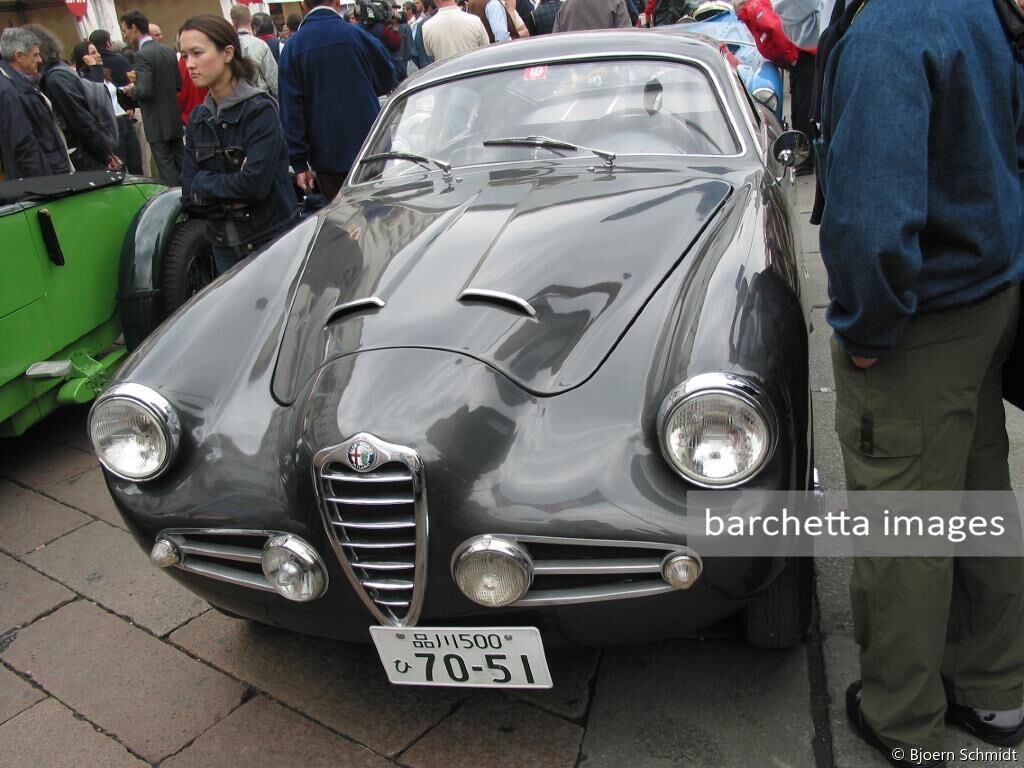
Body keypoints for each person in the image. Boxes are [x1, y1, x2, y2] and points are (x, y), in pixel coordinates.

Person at [818, 0, 1024, 765]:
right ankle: (994, 687)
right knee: (976, 495)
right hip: (985, 294)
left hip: (924, 317)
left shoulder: (891, 28)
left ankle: (903, 719)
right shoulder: (971, 8)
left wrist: (867, 330)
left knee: (905, 526)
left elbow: (871, 216)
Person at [178, 15, 296, 276]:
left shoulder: (259, 109)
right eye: (185, 55)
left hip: (270, 241)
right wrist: (228, 196)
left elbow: (254, 186)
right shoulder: (199, 118)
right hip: (223, 245)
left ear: (227, 53)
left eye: (197, 53)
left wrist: (205, 185)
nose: (190, 64)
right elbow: (187, 191)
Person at [278, 0, 397, 201]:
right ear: (338, 2)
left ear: (303, 5)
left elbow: (292, 111)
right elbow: (387, 78)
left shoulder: (292, 48)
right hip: (370, 146)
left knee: (340, 215)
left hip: (326, 154)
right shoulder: (358, 36)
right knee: (379, 209)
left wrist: (299, 162)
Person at [28, 25, 122, 173]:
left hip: (83, 154)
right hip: (88, 150)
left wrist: (104, 154)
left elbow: (81, 119)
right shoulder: (59, 73)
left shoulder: (56, 78)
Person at [121, 10, 182, 185]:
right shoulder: (167, 51)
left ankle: (177, 199)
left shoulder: (142, 55)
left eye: (125, 30)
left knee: (167, 169)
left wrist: (131, 90)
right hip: (173, 117)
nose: (124, 36)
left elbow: (145, 91)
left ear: (134, 28)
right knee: (183, 163)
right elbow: (178, 84)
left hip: (156, 121)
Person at [0, 27, 70, 179]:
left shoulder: (19, 84)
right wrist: (47, 185)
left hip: (51, 171)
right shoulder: (9, 92)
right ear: (19, 56)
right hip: (46, 179)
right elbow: (24, 147)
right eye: (35, 55)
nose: (40, 60)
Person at [230, 4, 278, 97]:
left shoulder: (228, 47)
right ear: (251, 20)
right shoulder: (260, 44)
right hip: (260, 97)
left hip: (237, 98)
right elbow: (273, 79)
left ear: (234, 22)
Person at [423, 0, 488, 61]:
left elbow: (431, 55)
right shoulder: (475, 21)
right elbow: (486, 50)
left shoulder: (426, 27)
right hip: (474, 67)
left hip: (447, 69)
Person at [552, 0, 631, 31]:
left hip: (574, 60)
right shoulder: (616, 3)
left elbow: (556, 42)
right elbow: (626, 38)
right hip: (607, 59)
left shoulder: (565, 7)